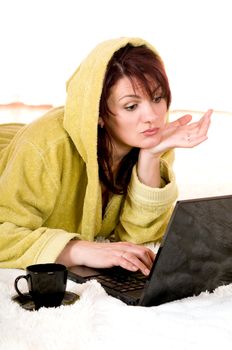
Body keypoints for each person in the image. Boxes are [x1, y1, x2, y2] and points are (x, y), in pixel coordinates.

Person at [0, 37, 212, 275]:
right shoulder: (44, 149)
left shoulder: (150, 138)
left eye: (157, 97)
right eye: (131, 106)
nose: (152, 116)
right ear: (98, 113)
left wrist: (150, 157)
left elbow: (140, 238)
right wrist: (77, 249)